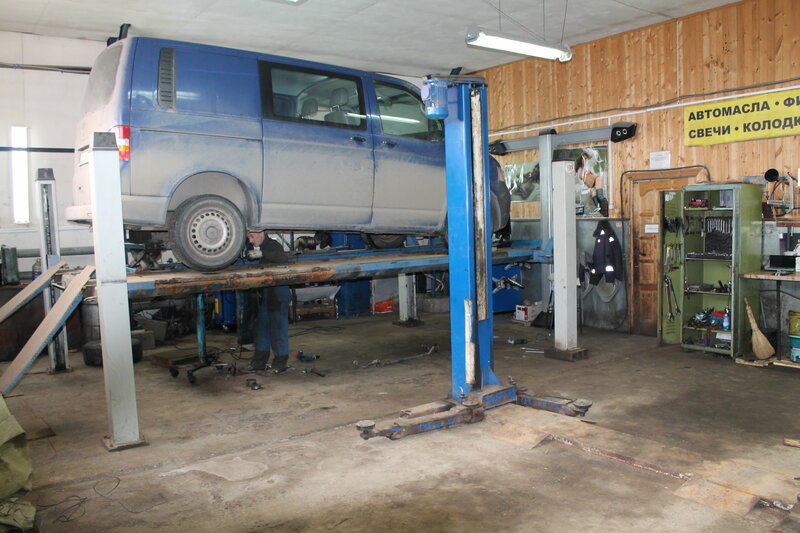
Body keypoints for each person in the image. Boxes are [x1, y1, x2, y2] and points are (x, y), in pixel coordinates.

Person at [246, 231, 292, 373]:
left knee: (277, 328)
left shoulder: (272, 244)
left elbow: (283, 258)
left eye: (252, 236)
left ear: (261, 233)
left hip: (278, 292)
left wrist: (262, 254)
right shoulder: (260, 246)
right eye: (248, 237)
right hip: (268, 292)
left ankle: (280, 362)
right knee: (262, 327)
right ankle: (259, 362)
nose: (250, 240)